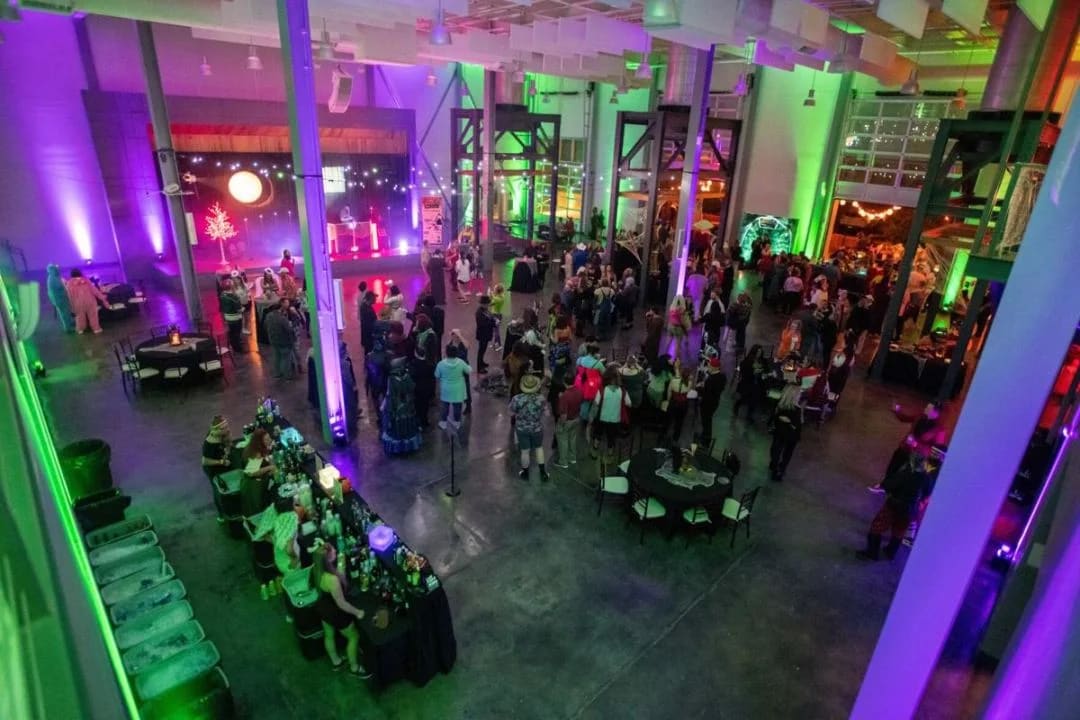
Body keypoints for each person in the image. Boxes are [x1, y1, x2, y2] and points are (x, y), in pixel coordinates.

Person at [857, 450, 936, 561]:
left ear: (911, 461)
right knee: (899, 531)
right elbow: (927, 493)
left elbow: (890, 485)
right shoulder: (927, 478)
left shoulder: (906, 474)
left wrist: (881, 486)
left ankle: (872, 553)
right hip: (910, 510)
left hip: (894, 505)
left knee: (877, 527)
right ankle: (890, 553)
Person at [309, 542, 371, 677]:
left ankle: (336, 662)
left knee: (329, 635)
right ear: (328, 559)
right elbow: (341, 603)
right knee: (353, 636)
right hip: (335, 613)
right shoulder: (332, 580)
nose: (335, 551)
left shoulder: (317, 569)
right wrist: (358, 612)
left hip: (322, 608)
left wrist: (341, 564)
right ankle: (354, 668)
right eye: (333, 551)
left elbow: (335, 575)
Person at [870, 402, 947, 493]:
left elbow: (935, 451)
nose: (925, 408)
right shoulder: (920, 416)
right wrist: (897, 411)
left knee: (903, 475)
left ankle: (888, 489)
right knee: (892, 467)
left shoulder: (940, 430)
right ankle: (884, 487)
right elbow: (905, 418)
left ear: (935, 412)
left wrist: (916, 444)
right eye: (927, 407)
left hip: (918, 455)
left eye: (929, 408)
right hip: (905, 448)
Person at [509, 373, 549, 480]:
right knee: (539, 448)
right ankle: (543, 473)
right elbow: (547, 414)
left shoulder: (516, 399)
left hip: (522, 429)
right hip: (537, 428)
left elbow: (511, 413)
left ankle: (525, 473)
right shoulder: (541, 399)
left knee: (525, 451)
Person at [381, 357, 422, 454]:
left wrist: (387, 407)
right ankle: (408, 447)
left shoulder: (391, 378)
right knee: (408, 425)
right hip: (408, 405)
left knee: (397, 427)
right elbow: (412, 387)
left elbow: (389, 394)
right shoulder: (407, 376)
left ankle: (399, 448)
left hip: (396, 406)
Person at [201, 415, 234, 522]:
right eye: (224, 428)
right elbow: (205, 461)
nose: (227, 429)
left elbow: (228, 444)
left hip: (221, 462)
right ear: (218, 430)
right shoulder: (210, 443)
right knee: (218, 490)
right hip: (212, 469)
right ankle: (221, 514)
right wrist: (221, 462)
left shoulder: (222, 435)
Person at [592, 366, 630, 458]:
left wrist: (592, 417)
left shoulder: (602, 390)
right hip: (615, 419)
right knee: (611, 438)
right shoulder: (622, 391)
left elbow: (596, 404)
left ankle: (594, 452)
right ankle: (610, 456)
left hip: (602, 418)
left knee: (598, 435)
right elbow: (629, 403)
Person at [769, 384, 804, 482]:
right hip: (792, 435)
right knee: (787, 453)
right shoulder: (796, 409)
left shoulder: (779, 404)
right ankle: (781, 470)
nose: (800, 396)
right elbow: (797, 424)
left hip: (780, 432)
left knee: (776, 449)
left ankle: (774, 466)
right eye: (799, 394)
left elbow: (775, 417)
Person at [435, 344, 471, 430]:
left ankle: (443, 423)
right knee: (457, 407)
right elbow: (468, 371)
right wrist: (468, 366)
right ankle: (457, 422)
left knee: (445, 406)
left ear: (446, 353)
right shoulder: (461, 362)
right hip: (458, 389)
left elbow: (437, 375)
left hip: (446, 389)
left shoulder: (441, 364)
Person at [240, 428, 275, 517]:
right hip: (253, 487)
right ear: (260, 442)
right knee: (257, 511)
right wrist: (270, 467)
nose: (270, 440)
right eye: (266, 439)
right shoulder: (256, 453)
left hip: (256, 483)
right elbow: (252, 473)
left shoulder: (254, 447)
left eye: (269, 438)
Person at [66, 269, 108, 335]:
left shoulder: (69, 283)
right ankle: (96, 329)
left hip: (78, 303)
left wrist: (71, 306)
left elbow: (69, 296)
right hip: (90, 301)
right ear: (80, 273)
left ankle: (80, 329)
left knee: (80, 317)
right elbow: (94, 290)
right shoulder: (86, 280)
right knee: (93, 316)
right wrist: (102, 297)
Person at [553, 378, 583, 468]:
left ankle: (563, 461)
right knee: (572, 439)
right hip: (576, 419)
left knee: (563, 440)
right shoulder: (579, 391)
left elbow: (563, 414)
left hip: (567, 421)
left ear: (564, 382)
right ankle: (572, 458)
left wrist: (561, 424)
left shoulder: (565, 395)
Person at [697, 357, 727, 444]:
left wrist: (699, 388)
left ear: (714, 368)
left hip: (707, 404)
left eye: (709, 366)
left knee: (706, 422)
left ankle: (706, 440)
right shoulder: (722, 377)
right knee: (708, 421)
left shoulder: (711, 380)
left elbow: (706, 393)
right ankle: (705, 436)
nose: (708, 367)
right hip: (714, 403)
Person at [731, 345, 766, 422]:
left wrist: (762, 373)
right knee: (744, 398)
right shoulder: (748, 360)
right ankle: (737, 406)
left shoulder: (761, 361)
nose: (759, 354)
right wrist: (753, 372)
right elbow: (744, 371)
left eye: (760, 352)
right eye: (758, 352)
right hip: (747, 382)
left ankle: (749, 415)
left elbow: (765, 369)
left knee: (754, 399)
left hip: (757, 382)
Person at [264, 302, 298, 379]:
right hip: (284, 341)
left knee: (277, 357)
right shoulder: (282, 318)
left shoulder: (268, 316)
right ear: (279, 309)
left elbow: (265, 326)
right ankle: (287, 375)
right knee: (286, 358)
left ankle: (277, 373)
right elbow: (289, 329)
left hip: (273, 340)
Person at [666, 366, 695, 444]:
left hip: (673, 403)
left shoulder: (673, 381)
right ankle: (676, 437)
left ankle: (665, 435)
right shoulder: (689, 383)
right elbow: (688, 392)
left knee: (669, 419)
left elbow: (669, 392)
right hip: (683, 405)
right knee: (679, 422)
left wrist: (668, 401)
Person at [218, 278, 246, 353]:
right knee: (236, 333)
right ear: (231, 286)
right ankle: (238, 348)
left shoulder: (222, 295)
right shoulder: (234, 297)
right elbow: (239, 310)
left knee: (231, 333)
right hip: (236, 318)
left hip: (227, 317)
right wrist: (243, 308)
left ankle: (233, 346)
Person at [46, 264, 74, 332]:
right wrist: (65, 285)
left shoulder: (52, 277)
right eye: (56, 269)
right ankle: (68, 328)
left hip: (59, 298)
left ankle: (69, 323)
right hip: (60, 299)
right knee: (64, 313)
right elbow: (59, 286)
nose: (57, 270)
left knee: (66, 312)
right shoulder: (53, 278)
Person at [475, 295, 497, 374]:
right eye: (487, 304)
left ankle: (482, 362)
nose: (488, 305)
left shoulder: (485, 310)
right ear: (483, 304)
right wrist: (493, 323)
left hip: (486, 334)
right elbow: (483, 324)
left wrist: (493, 320)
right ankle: (479, 367)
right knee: (481, 350)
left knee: (483, 349)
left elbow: (490, 317)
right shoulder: (479, 313)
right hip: (482, 334)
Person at [667, 295, 693, 363]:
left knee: (669, 340)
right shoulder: (681, 309)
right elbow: (683, 321)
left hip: (670, 325)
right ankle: (674, 359)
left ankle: (665, 353)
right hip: (678, 327)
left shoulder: (671, 307)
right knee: (677, 344)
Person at [358, 291, 377, 355]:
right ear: (371, 299)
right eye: (374, 298)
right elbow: (369, 322)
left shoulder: (366, 306)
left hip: (368, 334)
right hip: (368, 335)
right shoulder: (365, 309)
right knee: (368, 351)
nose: (375, 300)